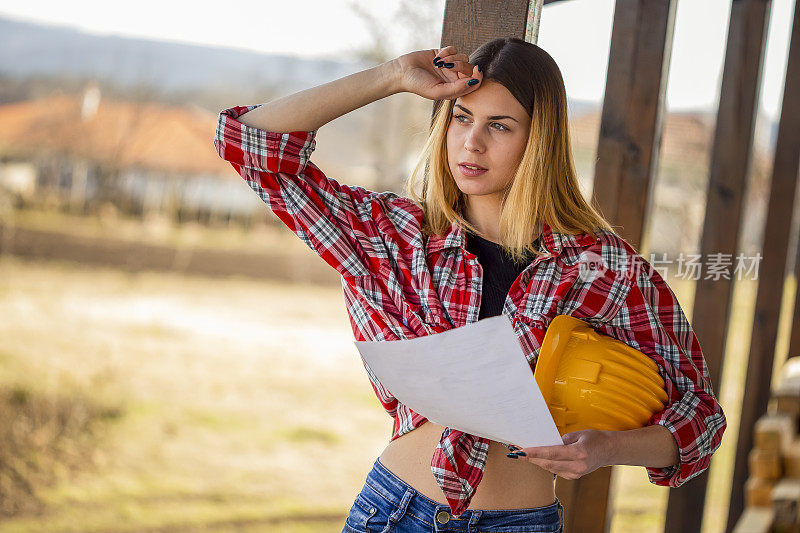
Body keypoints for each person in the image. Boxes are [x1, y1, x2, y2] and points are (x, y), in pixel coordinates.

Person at [214, 37, 726, 533]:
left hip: (520, 522)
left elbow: (701, 418)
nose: (471, 142)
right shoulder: (395, 236)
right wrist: (391, 76)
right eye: (462, 118)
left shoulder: (599, 265)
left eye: (499, 126)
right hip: (394, 511)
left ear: (538, 140)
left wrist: (609, 449)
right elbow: (248, 142)